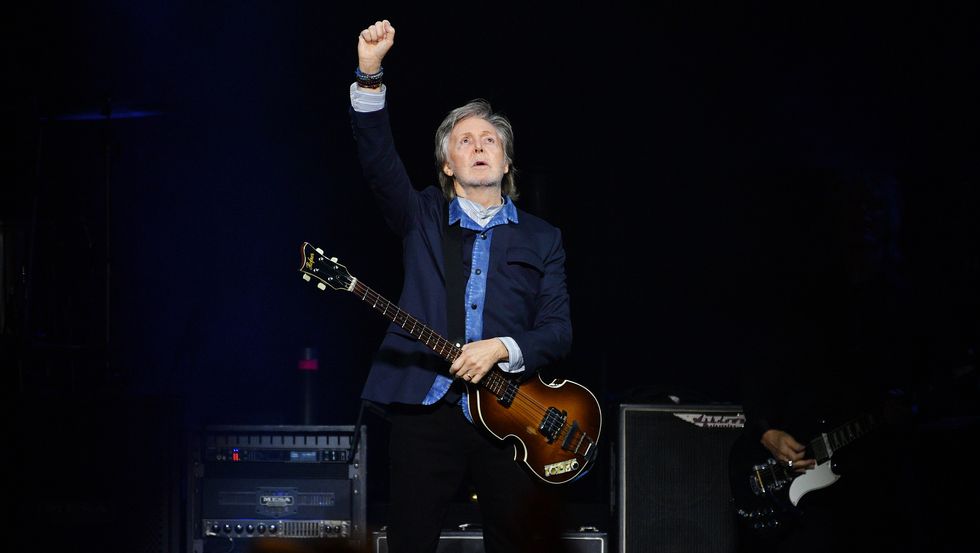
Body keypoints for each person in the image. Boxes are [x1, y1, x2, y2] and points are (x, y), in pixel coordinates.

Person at [348, 20, 572, 553]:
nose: (478, 147)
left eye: (489, 140)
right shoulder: (422, 215)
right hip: (426, 412)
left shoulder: (543, 238)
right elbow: (378, 160)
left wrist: (501, 348)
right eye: (464, 141)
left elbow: (559, 331)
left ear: (506, 161)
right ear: (448, 164)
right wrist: (370, 73)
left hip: (511, 414)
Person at [734, 172, 919, 553]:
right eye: (856, 209)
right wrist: (766, 431)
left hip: (878, 481)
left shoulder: (902, 299)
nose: (865, 219)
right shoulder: (806, 295)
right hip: (810, 490)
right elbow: (759, 369)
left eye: (875, 209)